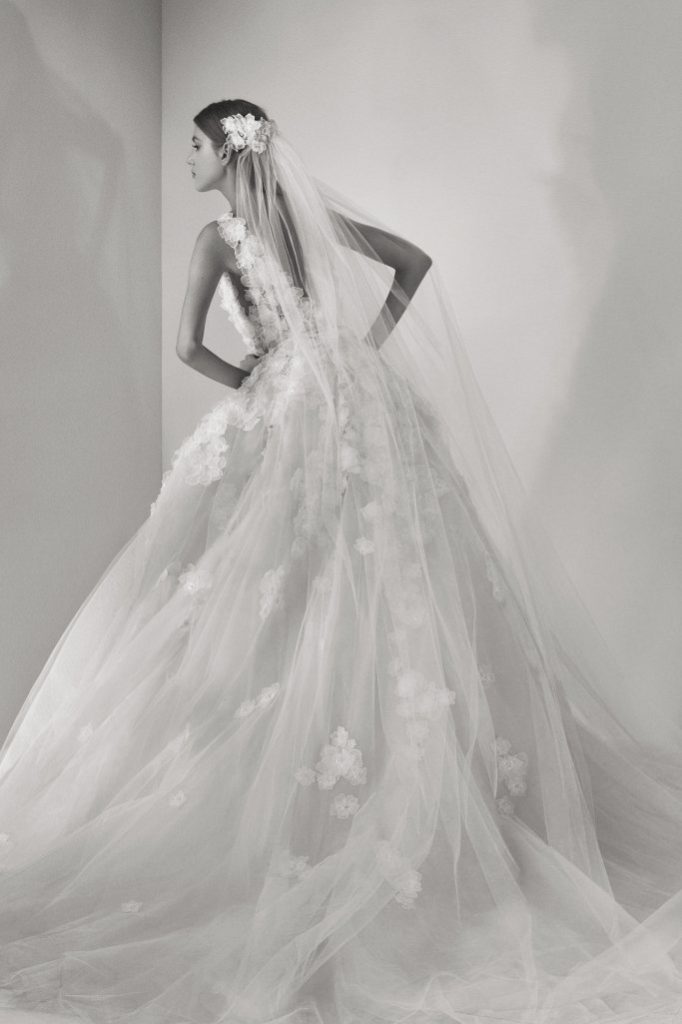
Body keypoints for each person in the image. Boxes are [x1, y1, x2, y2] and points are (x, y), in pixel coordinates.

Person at [0, 98, 680, 1024]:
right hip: (361, 399)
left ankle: (296, 787)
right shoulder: (309, 217)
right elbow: (414, 264)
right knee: (390, 588)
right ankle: (409, 784)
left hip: (289, 406)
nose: (187, 158)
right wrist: (356, 349)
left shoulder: (218, 238)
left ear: (227, 152)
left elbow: (187, 347)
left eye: (195, 145)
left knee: (276, 592)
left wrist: (253, 380)